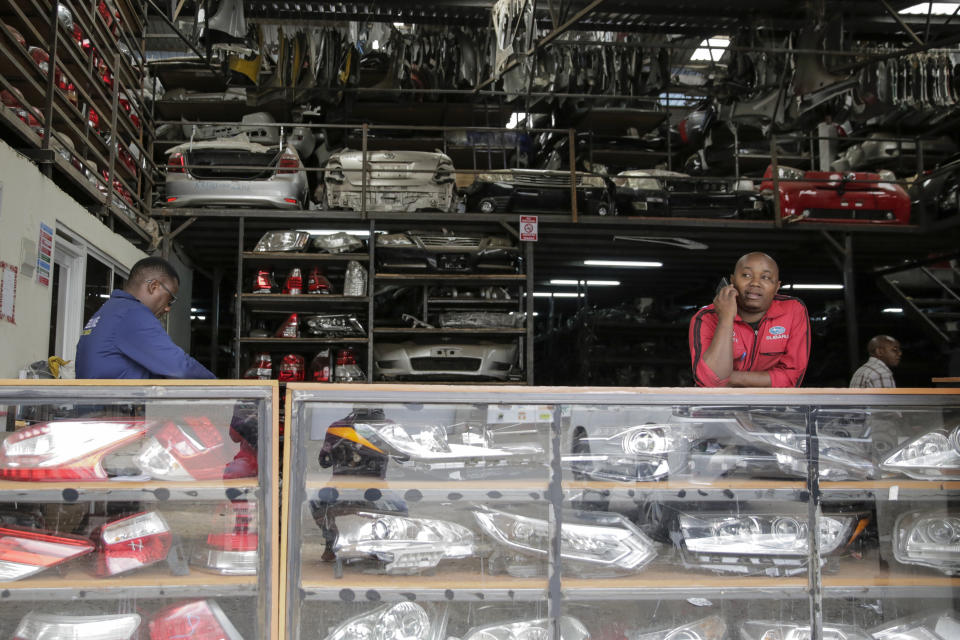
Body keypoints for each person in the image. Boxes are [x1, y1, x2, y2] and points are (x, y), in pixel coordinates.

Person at [76, 256, 215, 379]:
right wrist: (223, 390)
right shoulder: (132, 313)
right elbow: (180, 368)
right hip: (112, 407)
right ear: (153, 286)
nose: (168, 308)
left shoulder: (110, 310)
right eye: (170, 299)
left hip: (100, 405)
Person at [689, 251, 811, 387]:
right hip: (720, 405)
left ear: (777, 287)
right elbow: (710, 380)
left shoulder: (793, 310)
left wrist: (728, 379)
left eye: (765, 277)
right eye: (746, 275)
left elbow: (791, 378)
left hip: (773, 405)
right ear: (733, 281)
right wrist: (726, 318)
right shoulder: (706, 317)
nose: (755, 283)